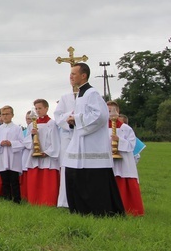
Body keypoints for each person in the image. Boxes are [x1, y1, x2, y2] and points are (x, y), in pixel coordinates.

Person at [63, 63, 125, 216]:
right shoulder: (81, 94)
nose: (70, 76)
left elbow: (101, 115)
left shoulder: (92, 93)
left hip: (92, 144)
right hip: (80, 141)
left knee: (93, 179)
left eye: (73, 73)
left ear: (83, 75)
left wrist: (76, 119)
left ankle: (99, 210)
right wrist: (72, 121)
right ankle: (81, 209)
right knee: (72, 170)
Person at [107, 101, 144, 216]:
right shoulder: (102, 128)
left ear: (117, 113)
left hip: (124, 161)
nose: (109, 114)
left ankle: (131, 209)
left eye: (110, 111)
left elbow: (131, 145)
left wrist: (119, 141)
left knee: (124, 181)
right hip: (108, 160)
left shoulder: (126, 128)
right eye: (106, 111)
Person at [22, 99, 60, 206]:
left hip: (47, 156)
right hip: (35, 155)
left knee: (47, 180)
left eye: (40, 108)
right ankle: (34, 200)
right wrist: (32, 135)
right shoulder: (32, 125)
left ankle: (48, 201)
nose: (38, 111)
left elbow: (56, 140)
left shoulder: (52, 123)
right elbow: (26, 142)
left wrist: (47, 152)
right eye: (36, 109)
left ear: (46, 108)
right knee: (35, 179)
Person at [0, 105, 24, 203]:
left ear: (12, 115)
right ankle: (7, 197)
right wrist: (0, 143)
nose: (5, 116)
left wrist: (11, 143)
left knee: (14, 180)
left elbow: (22, 143)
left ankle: (17, 199)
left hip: (13, 156)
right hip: (2, 156)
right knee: (4, 180)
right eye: (3, 114)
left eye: (7, 114)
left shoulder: (17, 128)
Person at [53, 90, 76, 208]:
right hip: (67, 135)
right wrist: (71, 115)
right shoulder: (65, 97)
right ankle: (65, 201)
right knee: (66, 167)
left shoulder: (90, 95)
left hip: (84, 135)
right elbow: (58, 116)